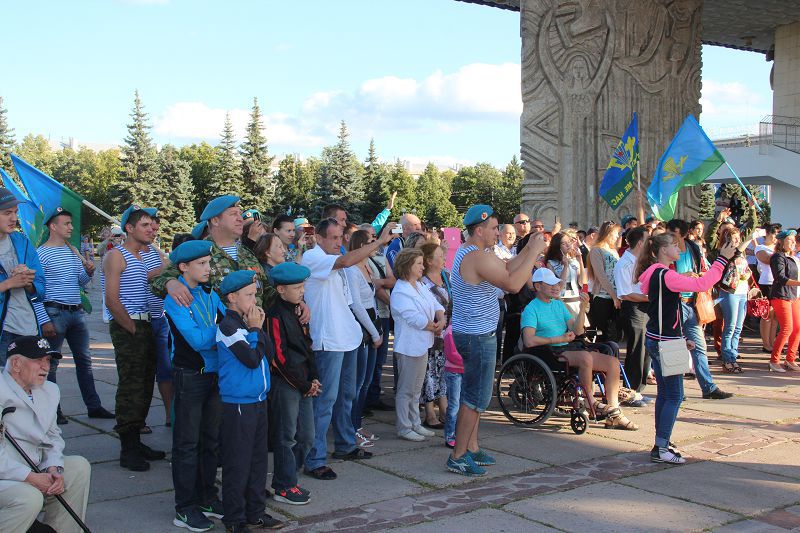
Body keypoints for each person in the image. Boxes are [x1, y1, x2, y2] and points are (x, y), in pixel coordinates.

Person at [447, 205, 546, 477]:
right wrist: (534, 252)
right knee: (474, 398)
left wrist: (528, 248)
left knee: (475, 395)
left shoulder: (478, 253)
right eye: (493, 228)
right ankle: (458, 456)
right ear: (479, 230)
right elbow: (512, 284)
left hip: (477, 333)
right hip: (477, 336)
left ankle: (472, 447)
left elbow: (507, 267)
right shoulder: (476, 256)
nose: (498, 233)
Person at [301, 219, 398, 480]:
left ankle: (345, 444)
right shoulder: (313, 257)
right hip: (328, 341)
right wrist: (380, 241)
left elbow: (352, 299)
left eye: (340, 236)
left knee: (347, 396)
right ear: (319, 238)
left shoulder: (339, 260)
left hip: (348, 337)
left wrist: (368, 331)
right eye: (332, 237)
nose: (338, 242)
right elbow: (344, 262)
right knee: (324, 401)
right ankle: (315, 458)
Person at [637, 233, 736, 464]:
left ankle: (661, 442)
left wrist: (681, 337)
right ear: (663, 250)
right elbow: (702, 284)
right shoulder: (666, 275)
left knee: (665, 394)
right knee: (675, 395)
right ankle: (661, 448)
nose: (679, 249)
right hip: (666, 342)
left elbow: (667, 312)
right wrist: (722, 259)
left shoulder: (655, 272)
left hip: (659, 338)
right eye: (674, 245)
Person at [521, 268, 638, 429]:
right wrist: (558, 339)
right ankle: (590, 402)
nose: (556, 287)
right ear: (538, 286)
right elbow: (528, 340)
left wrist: (582, 308)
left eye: (557, 284)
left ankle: (614, 413)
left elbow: (577, 330)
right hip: (548, 352)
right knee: (585, 357)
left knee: (613, 363)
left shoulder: (558, 305)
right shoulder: (531, 309)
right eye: (550, 284)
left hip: (567, 347)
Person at [163, 240, 226, 531]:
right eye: (201, 264)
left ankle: (207, 497)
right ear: (183, 267)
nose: (208, 268)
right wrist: (222, 329)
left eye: (208, 262)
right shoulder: (175, 298)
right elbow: (197, 340)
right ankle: (185, 507)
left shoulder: (210, 293)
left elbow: (228, 321)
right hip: (190, 376)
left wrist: (222, 327)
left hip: (214, 375)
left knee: (210, 441)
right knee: (187, 444)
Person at [0, 336, 91, 533]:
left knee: (78, 467)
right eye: (38, 360)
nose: (45, 367)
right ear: (16, 364)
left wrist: (53, 466)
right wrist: (29, 477)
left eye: (48, 360)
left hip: (32, 467)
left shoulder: (50, 390)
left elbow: (53, 436)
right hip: (5, 474)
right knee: (28, 498)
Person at [216, 270, 284, 532]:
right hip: (238, 404)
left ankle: (255, 512)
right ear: (232, 297)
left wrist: (257, 328)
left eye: (255, 295)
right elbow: (252, 359)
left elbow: (267, 352)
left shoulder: (246, 324)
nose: (254, 301)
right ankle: (234, 518)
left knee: (258, 462)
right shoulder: (228, 327)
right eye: (248, 295)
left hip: (258, 400)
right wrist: (255, 329)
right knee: (238, 463)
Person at [35, 207, 113, 425]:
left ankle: (94, 406)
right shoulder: (41, 254)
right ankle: (54, 410)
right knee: (51, 364)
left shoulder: (72, 251)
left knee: (84, 362)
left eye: (70, 223)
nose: (71, 227)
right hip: (54, 312)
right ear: (53, 226)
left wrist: (88, 271)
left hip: (76, 311)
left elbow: (79, 282)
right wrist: (43, 319)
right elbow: (36, 290)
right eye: (66, 223)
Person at [103, 205, 166, 471]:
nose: (151, 230)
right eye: (145, 225)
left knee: (145, 384)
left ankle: (137, 441)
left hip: (145, 323)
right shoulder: (117, 255)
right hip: (130, 325)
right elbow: (112, 299)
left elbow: (163, 268)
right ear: (129, 228)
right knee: (131, 386)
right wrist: (131, 327)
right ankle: (127, 449)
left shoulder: (142, 255)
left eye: (152, 225)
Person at [266, 262, 320, 506]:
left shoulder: (297, 311)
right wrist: (302, 384)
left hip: (304, 382)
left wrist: (314, 377)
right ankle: (284, 485)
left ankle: (289, 476)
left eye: (302, 286)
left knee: (307, 436)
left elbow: (307, 347)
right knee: (286, 436)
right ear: (281, 290)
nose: (302, 291)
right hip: (288, 383)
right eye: (297, 287)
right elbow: (278, 359)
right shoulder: (275, 315)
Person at [666, 219, 732, 399]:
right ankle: (676, 391)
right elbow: (664, 275)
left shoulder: (693, 248)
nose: (669, 237)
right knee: (674, 347)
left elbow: (704, 268)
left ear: (683, 234)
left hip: (692, 302)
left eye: (673, 233)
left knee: (699, 346)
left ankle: (708, 388)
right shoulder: (666, 249)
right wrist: (683, 276)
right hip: (675, 303)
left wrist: (701, 274)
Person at [390, 248, 445, 441]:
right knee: (406, 390)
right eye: (419, 264)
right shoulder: (400, 290)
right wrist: (434, 327)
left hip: (422, 343)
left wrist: (441, 319)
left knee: (416, 389)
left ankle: (415, 422)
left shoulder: (419, 285)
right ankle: (404, 426)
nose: (423, 267)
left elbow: (436, 304)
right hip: (408, 346)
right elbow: (413, 318)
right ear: (408, 266)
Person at [344, 230, 383, 448]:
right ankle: (351, 427)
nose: (374, 245)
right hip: (362, 327)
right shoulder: (351, 270)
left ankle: (357, 424)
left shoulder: (366, 266)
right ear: (361, 245)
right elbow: (357, 305)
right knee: (357, 383)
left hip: (372, 323)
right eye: (370, 242)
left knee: (365, 381)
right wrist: (374, 333)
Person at [0, 187, 46, 363]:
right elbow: (9, 284)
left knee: (32, 378)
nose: (14, 218)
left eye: (15, 212)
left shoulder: (22, 241)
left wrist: (28, 282)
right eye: (7, 213)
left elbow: (41, 287)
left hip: (28, 327)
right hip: (4, 332)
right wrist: (8, 283)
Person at [140, 211, 174, 429]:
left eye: (155, 228)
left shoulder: (155, 252)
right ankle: (137, 419)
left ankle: (170, 414)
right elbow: (137, 278)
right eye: (149, 227)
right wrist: (163, 268)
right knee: (140, 372)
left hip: (160, 317)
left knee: (165, 369)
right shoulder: (124, 254)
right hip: (139, 319)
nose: (153, 231)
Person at [613, 226, 651, 392]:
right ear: (640, 243)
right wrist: (650, 298)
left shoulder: (640, 260)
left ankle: (640, 388)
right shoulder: (624, 263)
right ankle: (631, 390)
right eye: (648, 240)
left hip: (645, 306)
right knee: (636, 350)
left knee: (646, 349)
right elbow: (625, 294)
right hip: (634, 308)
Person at [420, 242, 451, 429]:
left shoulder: (446, 276)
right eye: (439, 255)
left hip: (447, 333)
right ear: (429, 261)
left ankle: (444, 408)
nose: (444, 257)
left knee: (444, 371)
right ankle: (430, 412)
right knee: (429, 372)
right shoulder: (423, 282)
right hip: (432, 332)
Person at [717, 227, 752, 374]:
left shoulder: (742, 254)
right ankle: (727, 360)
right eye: (734, 238)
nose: (737, 240)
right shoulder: (725, 252)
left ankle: (733, 356)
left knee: (738, 328)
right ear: (727, 239)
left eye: (739, 238)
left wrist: (747, 274)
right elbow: (734, 256)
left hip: (742, 292)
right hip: (729, 293)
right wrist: (751, 237)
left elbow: (745, 270)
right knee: (730, 327)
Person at [769, 230, 800, 372]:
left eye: (794, 240)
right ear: (781, 241)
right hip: (781, 295)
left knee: (797, 329)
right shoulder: (777, 257)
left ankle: (790, 359)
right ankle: (774, 361)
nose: (793, 242)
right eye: (790, 240)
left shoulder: (793, 258)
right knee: (787, 328)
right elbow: (780, 278)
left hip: (794, 296)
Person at [587, 221, 621, 342]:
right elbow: (601, 276)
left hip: (616, 297)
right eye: (616, 233)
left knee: (615, 334)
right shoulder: (596, 250)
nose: (617, 236)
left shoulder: (614, 251)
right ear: (608, 233)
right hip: (602, 297)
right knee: (603, 333)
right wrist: (614, 296)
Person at [544, 230, 585, 320]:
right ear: (557, 246)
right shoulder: (551, 263)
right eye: (563, 243)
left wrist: (580, 261)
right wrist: (565, 266)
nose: (568, 245)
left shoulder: (574, 261)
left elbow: (582, 281)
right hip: (561, 299)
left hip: (575, 298)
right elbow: (558, 286)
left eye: (569, 242)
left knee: (579, 326)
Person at [755, 224, 779, 352]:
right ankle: (766, 344)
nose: (776, 237)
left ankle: (772, 342)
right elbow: (767, 260)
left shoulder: (777, 249)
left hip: (778, 284)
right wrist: (779, 252)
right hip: (766, 283)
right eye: (774, 234)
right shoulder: (760, 248)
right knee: (767, 314)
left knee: (775, 316)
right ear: (768, 234)